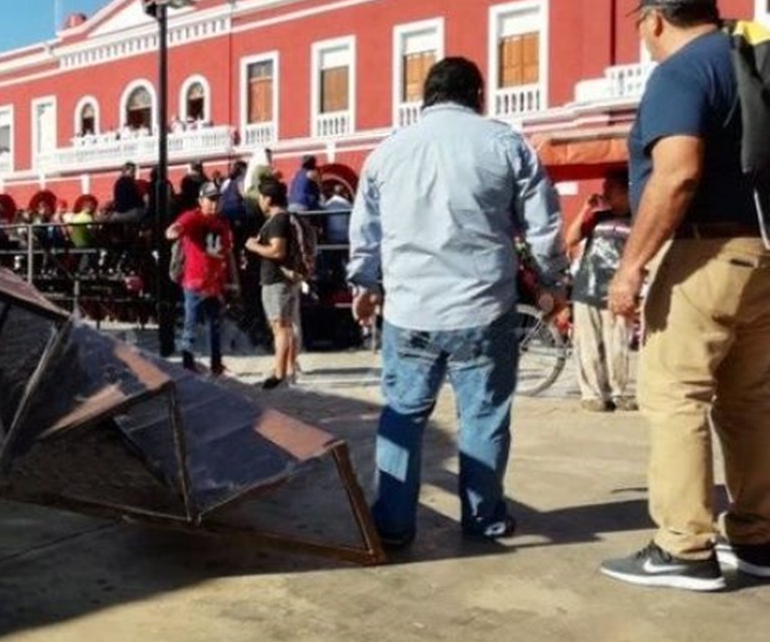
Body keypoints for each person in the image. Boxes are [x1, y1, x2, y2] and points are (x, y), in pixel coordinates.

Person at [346, 56, 567, 546]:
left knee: (402, 414)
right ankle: (483, 518)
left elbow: (365, 232)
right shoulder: (506, 144)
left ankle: (394, 525)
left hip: (410, 310)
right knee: (484, 417)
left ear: (425, 97)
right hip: (482, 308)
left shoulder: (387, 152)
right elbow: (544, 223)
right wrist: (553, 280)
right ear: (479, 95)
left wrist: (364, 286)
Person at [601, 0, 770, 592]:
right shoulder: (745, 59)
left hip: (705, 254)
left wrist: (631, 266)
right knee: (750, 402)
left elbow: (677, 173)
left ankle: (684, 548)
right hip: (761, 251)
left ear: (654, 19)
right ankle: (758, 538)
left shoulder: (680, 71)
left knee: (675, 395)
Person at [565, 170, 633, 413]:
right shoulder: (596, 218)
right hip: (587, 287)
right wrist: (585, 208)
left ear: (625, 191)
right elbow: (570, 240)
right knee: (588, 344)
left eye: (610, 190)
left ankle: (620, 392)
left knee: (619, 344)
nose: (605, 194)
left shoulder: (638, 219)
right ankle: (592, 394)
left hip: (618, 291)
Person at [167, 182, 233, 376]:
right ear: (201, 201)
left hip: (213, 284)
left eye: (217, 200)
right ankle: (188, 364)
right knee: (191, 325)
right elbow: (179, 225)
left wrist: (226, 279)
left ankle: (216, 364)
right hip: (194, 283)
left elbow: (225, 253)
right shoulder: (193, 217)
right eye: (210, 199)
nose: (214, 204)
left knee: (215, 325)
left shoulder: (221, 224)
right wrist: (174, 231)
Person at [244, 178, 300, 389]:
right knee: (285, 326)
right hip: (284, 279)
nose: (259, 201)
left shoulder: (277, 221)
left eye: (260, 196)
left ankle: (279, 374)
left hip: (276, 281)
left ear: (268, 199)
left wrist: (253, 246)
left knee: (281, 327)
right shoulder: (285, 218)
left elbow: (277, 250)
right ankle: (288, 368)